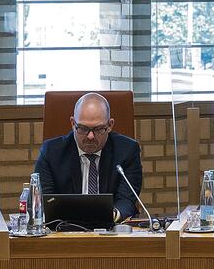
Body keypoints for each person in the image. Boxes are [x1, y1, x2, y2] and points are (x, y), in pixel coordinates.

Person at [34, 92, 142, 222]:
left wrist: (106, 217)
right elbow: (46, 199)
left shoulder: (127, 151)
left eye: (98, 129)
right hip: (64, 230)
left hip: (111, 230)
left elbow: (126, 199)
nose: (90, 136)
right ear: (73, 123)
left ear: (110, 125)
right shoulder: (51, 152)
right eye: (83, 128)